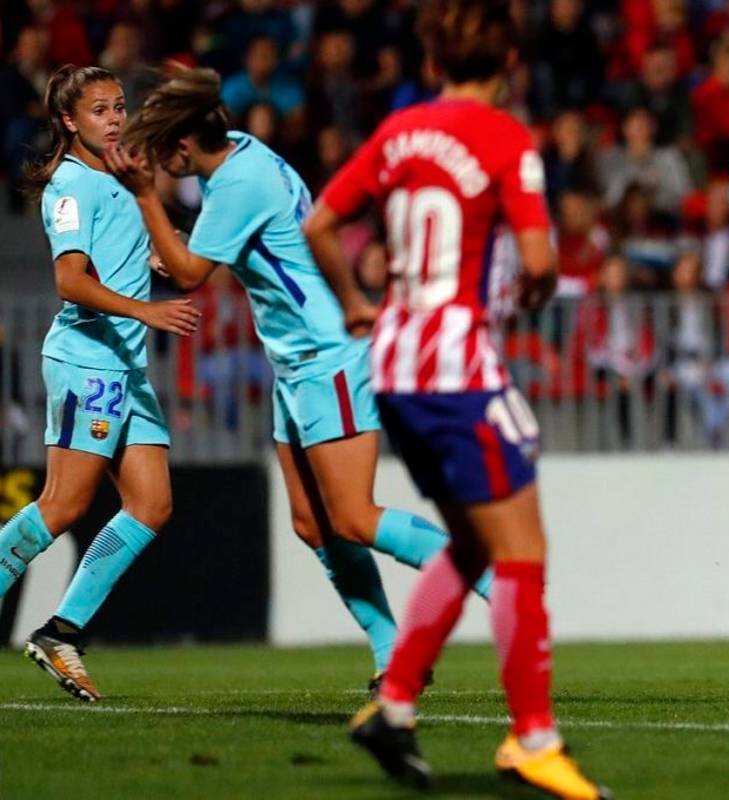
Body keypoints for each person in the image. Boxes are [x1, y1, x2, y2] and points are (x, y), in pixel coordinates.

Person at [302, 1, 609, 797]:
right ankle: (535, 740)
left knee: (472, 544)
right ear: (508, 62)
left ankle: (394, 704)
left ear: (435, 62)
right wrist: (536, 285)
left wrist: (354, 305)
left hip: (394, 366)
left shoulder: (399, 133)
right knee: (523, 552)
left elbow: (322, 225)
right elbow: (539, 259)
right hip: (457, 370)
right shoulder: (508, 139)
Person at [103, 66, 490, 690]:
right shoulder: (250, 156)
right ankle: (394, 654)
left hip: (326, 357)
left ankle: (488, 572)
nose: (157, 164)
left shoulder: (236, 181)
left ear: (182, 145)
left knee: (355, 517)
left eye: (160, 150)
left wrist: (147, 200)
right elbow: (215, 253)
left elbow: (190, 274)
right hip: (296, 365)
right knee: (313, 523)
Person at [0, 65, 201, 702]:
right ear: (68, 120)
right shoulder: (70, 184)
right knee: (63, 505)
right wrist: (148, 308)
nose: (114, 118)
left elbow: (116, 251)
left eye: (118, 106)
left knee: (151, 505)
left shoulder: (117, 176)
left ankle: (62, 631)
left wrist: (152, 257)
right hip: (88, 360)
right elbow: (71, 280)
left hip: (123, 367)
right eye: (99, 110)